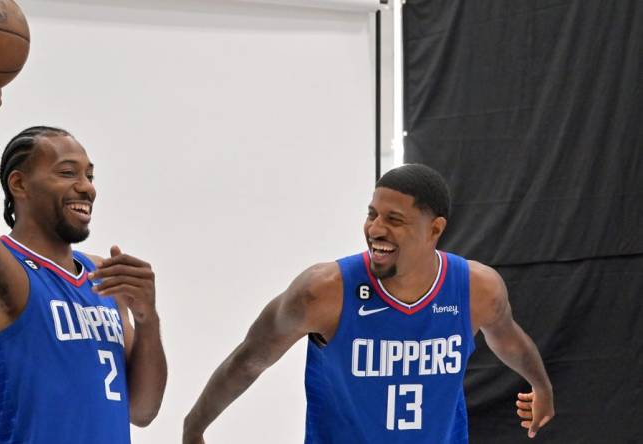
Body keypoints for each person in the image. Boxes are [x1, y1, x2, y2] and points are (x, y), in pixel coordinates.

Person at [183, 164, 554, 443]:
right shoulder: (322, 291)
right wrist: (194, 425)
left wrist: (540, 385)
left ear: (435, 229)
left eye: (394, 220)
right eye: (372, 214)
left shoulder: (476, 289)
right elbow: (250, 359)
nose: (376, 229)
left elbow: (507, 338)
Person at [0, 68, 167, 443]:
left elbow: (143, 410)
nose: (86, 187)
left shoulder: (104, 277)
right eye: (67, 173)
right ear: (18, 184)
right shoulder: (2, 271)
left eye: (89, 175)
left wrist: (147, 319)